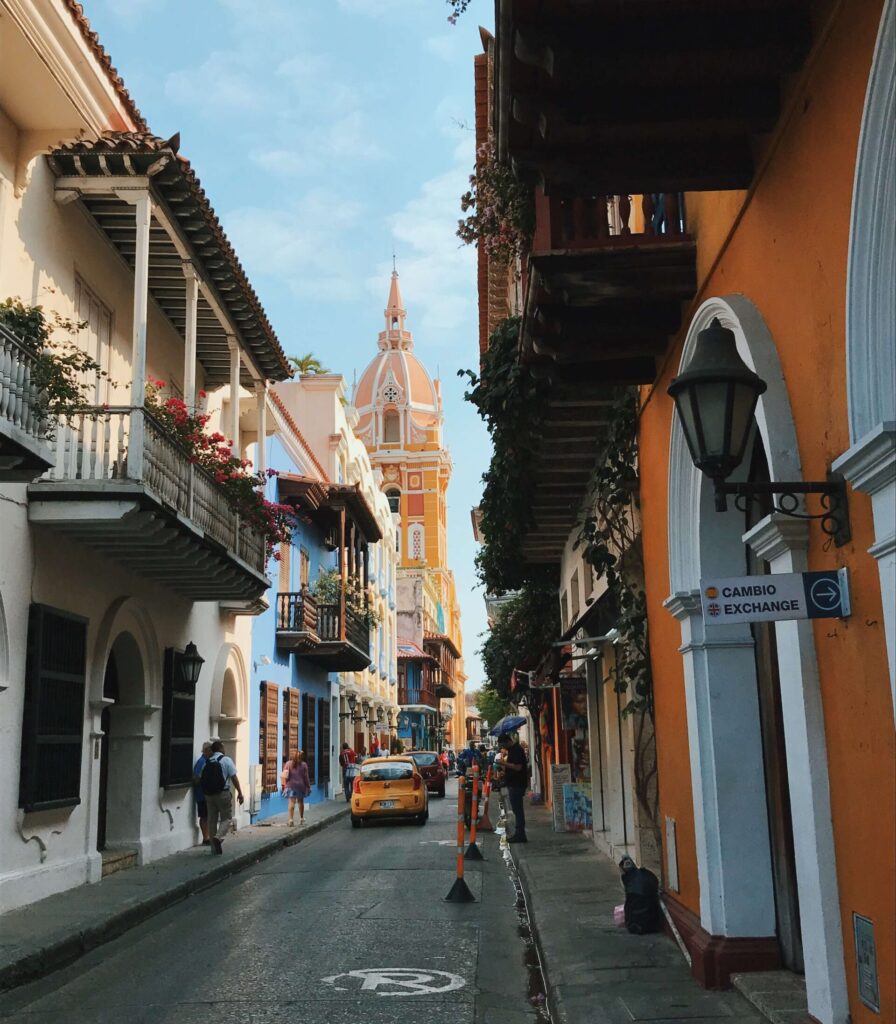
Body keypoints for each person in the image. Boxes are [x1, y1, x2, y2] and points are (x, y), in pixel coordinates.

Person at [201, 740, 244, 855]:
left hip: (209, 795)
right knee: (227, 818)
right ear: (220, 749)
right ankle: (218, 837)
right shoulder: (226, 760)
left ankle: (213, 849)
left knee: (212, 820)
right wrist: (240, 792)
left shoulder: (207, 761)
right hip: (222, 793)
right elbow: (234, 777)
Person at [498, 732, 529, 843]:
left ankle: (520, 834)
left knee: (518, 810)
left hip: (517, 785)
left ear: (507, 741)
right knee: (516, 810)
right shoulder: (512, 751)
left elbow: (518, 767)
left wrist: (504, 763)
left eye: (502, 745)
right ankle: (519, 833)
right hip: (513, 784)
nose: (502, 747)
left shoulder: (517, 750)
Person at [281, 749, 311, 826]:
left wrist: (284, 785)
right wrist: (308, 786)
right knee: (300, 802)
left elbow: (284, 776)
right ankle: (301, 819)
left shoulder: (288, 764)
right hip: (301, 786)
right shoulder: (304, 765)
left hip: (291, 786)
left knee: (291, 802)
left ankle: (291, 820)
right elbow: (306, 777)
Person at [192, 741, 212, 846]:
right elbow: (196, 779)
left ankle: (208, 836)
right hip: (202, 794)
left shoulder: (207, 761)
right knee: (204, 816)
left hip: (205, 794)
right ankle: (205, 837)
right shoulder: (202, 762)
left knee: (207, 815)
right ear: (206, 751)